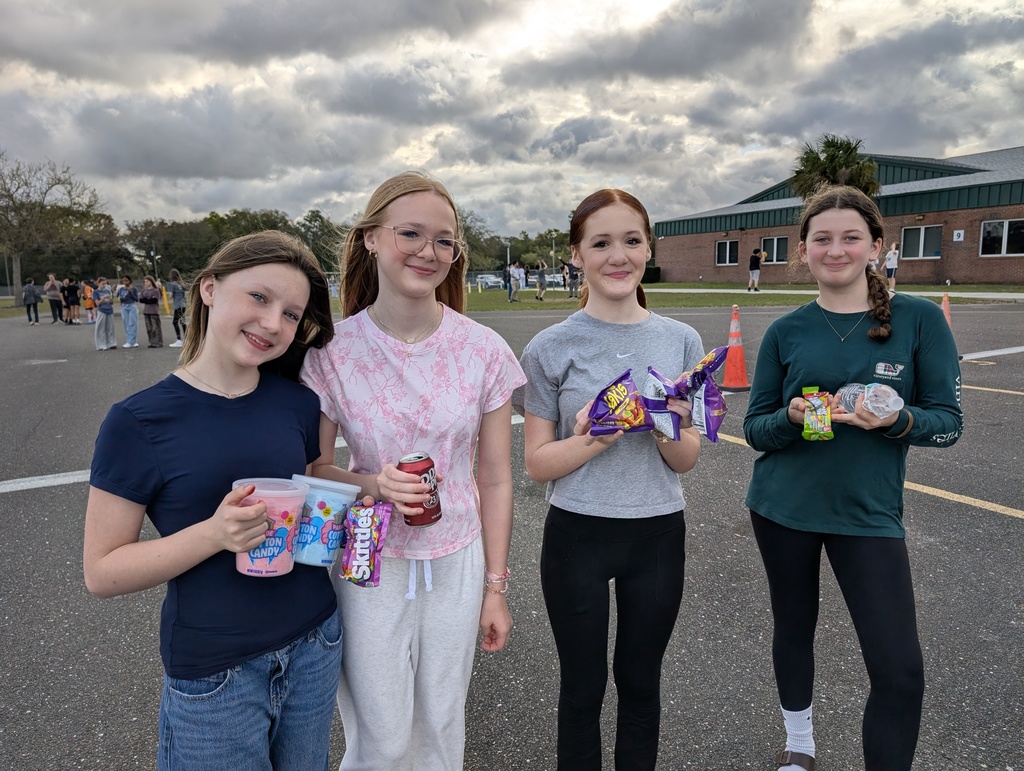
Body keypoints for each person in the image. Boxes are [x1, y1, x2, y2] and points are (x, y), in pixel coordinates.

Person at [83, 231, 340, 770]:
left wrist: (374, 490)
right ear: (208, 289)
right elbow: (102, 572)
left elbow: (317, 486)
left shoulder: (298, 402)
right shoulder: (138, 421)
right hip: (217, 671)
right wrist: (214, 533)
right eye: (259, 297)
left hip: (315, 643)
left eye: (292, 315)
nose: (273, 323)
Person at [300, 171, 526, 770]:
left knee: (442, 725)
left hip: (457, 560)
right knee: (381, 735)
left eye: (444, 240)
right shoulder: (330, 352)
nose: (429, 251)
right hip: (367, 559)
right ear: (371, 238)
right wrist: (374, 484)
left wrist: (495, 588)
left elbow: (495, 478)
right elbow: (316, 468)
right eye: (410, 234)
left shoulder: (483, 349)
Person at [743, 186, 962, 771]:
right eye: (822, 239)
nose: (835, 250)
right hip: (783, 507)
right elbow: (755, 429)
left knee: (900, 670)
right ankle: (799, 746)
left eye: (850, 238)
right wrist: (790, 418)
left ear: (876, 246)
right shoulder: (787, 330)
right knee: (794, 628)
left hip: (868, 514)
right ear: (803, 250)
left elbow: (949, 424)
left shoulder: (918, 320)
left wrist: (898, 420)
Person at [517, 189, 704, 770]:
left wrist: (667, 424)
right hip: (577, 534)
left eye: (631, 240)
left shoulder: (681, 340)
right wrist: (592, 440)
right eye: (600, 243)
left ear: (649, 248)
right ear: (576, 255)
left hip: (657, 532)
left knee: (641, 684)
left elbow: (686, 459)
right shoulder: (549, 347)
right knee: (582, 690)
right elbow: (536, 464)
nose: (617, 256)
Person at [139, 275, 165, 348]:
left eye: (147, 281)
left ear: (151, 282)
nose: (146, 283)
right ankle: (152, 342)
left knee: (155, 327)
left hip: (154, 311)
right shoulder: (144, 291)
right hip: (146, 311)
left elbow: (154, 300)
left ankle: (158, 342)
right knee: (149, 328)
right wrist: (148, 300)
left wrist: (147, 300)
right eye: (145, 282)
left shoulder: (155, 291)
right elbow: (141, 300)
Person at [93, 277, 117, 350]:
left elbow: (111, 302)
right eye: (102, 284)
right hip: (102, 310)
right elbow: (97, 303)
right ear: (98, 283)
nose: (104, 285)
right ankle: (101, 344)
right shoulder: (96, 292)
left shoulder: (107, 291)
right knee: (101, 328)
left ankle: (111, 343)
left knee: (110, 328)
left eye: (105, 284)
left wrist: (110, 300)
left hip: (109, 310)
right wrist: (103, 298)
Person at [165, 268, 187, 347]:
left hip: (178, 305)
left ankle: (179, 339)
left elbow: (171, 295)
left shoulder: (173, 284)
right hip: (183, 304)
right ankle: (186, 338)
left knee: (175, 322)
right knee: (182, 322)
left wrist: (169, 295)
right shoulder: (181, 283)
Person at [117, 275, 140, 348]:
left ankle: (133, 341)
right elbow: (119, 297)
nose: (125, 282)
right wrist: (121, 298)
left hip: (131, 306)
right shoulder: (121, 289)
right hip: (124, 306)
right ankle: (129, 340)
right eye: (124, 281)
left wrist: (131, 294)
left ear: (130, 281)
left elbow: (136, 299)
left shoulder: (134, 289)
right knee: (126, 324)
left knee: (132, 323)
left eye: (126, 281)